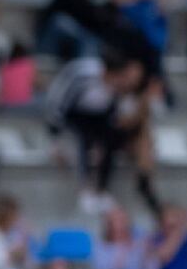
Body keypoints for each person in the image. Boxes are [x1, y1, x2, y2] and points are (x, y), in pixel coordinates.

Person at [44, 51, 153, 215]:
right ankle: (85, 187)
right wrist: (55, 138)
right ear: (106, 73)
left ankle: (101, 189)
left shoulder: (120, 86)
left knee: (111, 140)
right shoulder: (82, 76)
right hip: (73, 114)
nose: (118, 84)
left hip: (99, 117)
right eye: (116, 80)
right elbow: (57, 100)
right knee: (82, 140)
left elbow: (120, 115)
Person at [37, 0, 106, 57]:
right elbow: (85, 15)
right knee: (86, 37)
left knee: (91, 37)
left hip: (67, 38)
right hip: (49, 35)